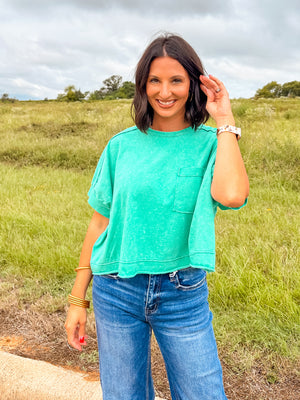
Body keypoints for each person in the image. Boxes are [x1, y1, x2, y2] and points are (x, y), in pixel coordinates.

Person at [65, 33, 249, 400]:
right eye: (155, 80)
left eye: (176, 80)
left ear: (195, 84)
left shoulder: (213, 143)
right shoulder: (120, 146)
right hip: (115, 288)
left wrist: (225, 118)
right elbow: (100, 223)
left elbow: (230, 195)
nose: (165, 91)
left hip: (182, 292)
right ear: (143, 85)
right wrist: (77, 300)